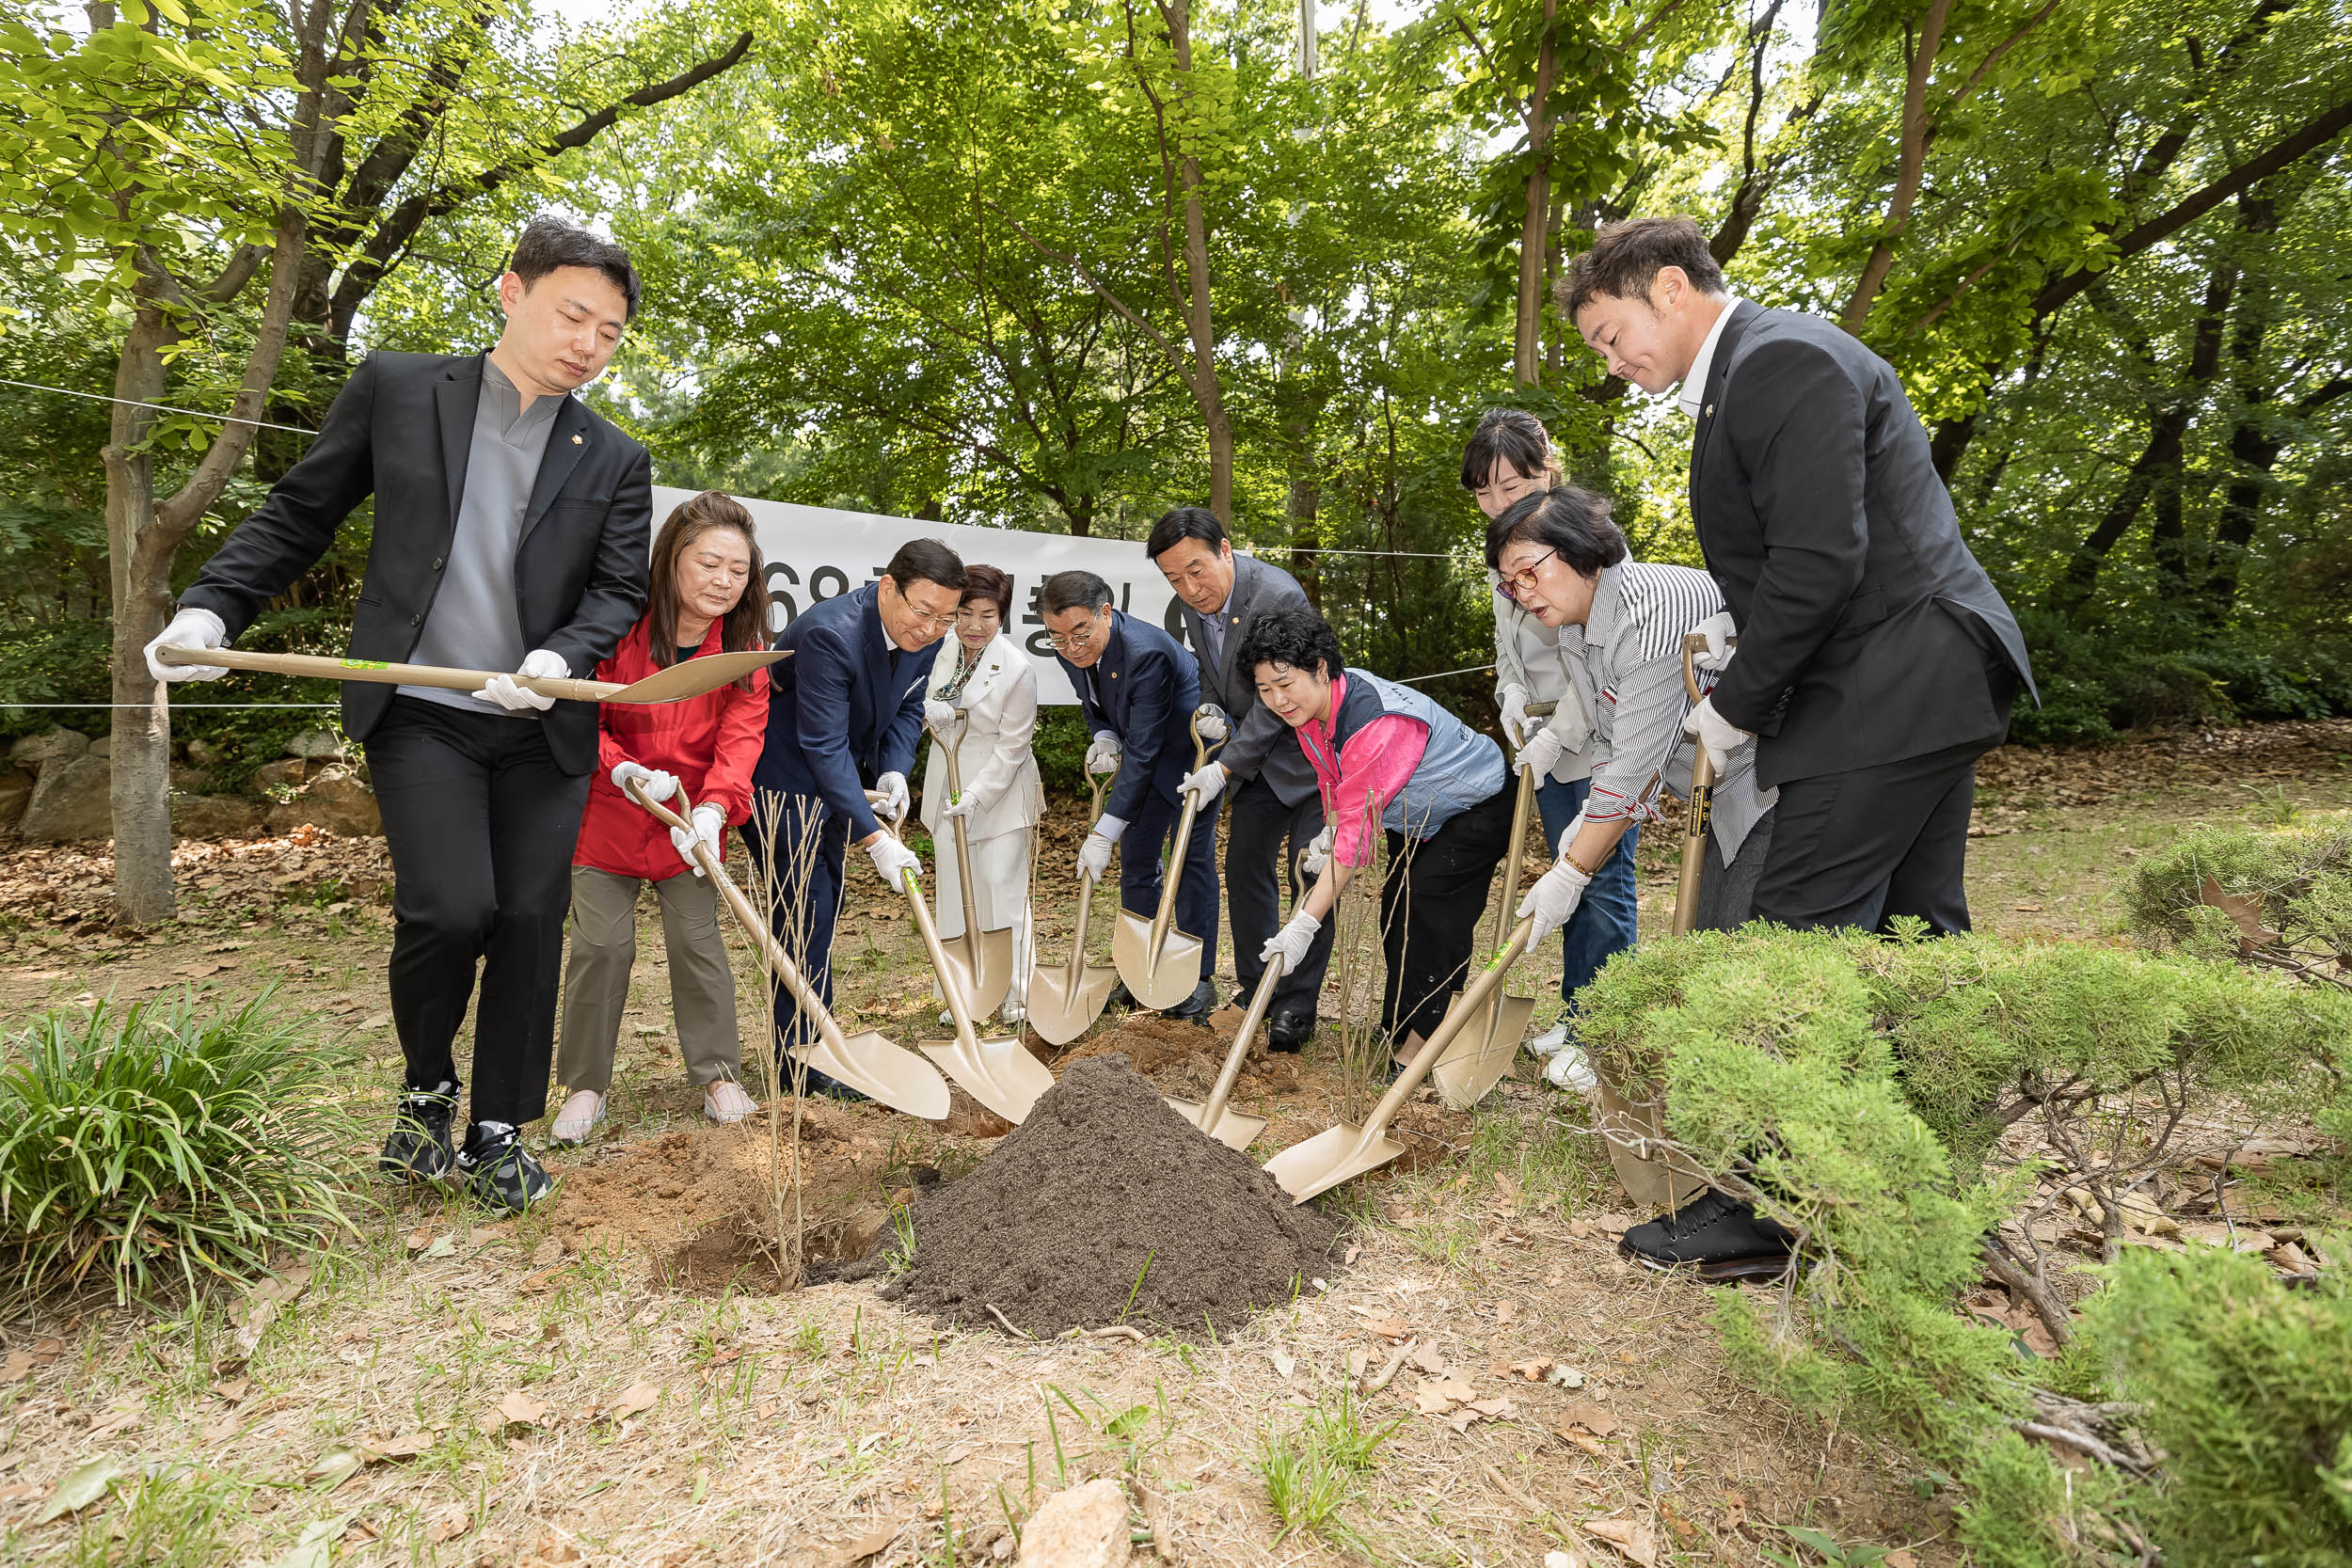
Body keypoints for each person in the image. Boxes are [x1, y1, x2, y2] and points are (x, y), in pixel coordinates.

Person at [145, 216, 653, 1212]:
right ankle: (426, 1087)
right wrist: (213, 605)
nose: (588, 343)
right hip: (423, 706)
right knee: (450, 906)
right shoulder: (401, 387)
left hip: (542, 724)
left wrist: (556, 659)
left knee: (528, 917)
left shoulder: (613, 454)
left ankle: (498, 1128)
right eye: (573, 314)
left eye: (610, 331)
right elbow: (302, 509)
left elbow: (617, 591)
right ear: (512, 293)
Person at [1562, 215, 2035, 1280]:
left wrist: (1732, 705)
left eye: (1609, 333)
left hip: (1883, 684)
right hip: (1922, 680)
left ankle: (1772, 1208)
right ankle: (1920, 1166)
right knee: (1914, 934)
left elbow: (1817, 564)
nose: (1612, 359)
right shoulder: (1761, 370)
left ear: (1670, 287)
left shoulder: (1776, 361)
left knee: (1792, 944)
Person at [551, 492, 771, 1145]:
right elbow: (579, 712)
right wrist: (618, 766)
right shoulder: (618, 628)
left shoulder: (741, 651)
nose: (723, 582)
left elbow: (741, 741)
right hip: (611, 809)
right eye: (709, 563)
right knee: (601, 946)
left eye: (738, 570)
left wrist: (710, 810)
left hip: (689, 821)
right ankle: (585, 1084)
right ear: (672, 560)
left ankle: (718, 1074)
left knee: (698, 943)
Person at [1243, 606, 1513, 1070]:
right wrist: (1329, 825)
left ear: (1320, 669)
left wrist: (1304, 925)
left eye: (1285, 685)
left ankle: (1426, 1039)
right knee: (1396, 911)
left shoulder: (1375, 724)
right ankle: (1401, 1022)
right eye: (1265, 690)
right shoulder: (1313, 712)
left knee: (1431, 908)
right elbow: (1334, 779)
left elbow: (1355, 839)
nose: (1278, 700)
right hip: (1419, 815)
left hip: (1478, 805)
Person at [1460, 409, 1636, 1091]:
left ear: (1548, 471)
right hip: (1548, 744)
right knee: (1571, 886)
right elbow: (1512, 651)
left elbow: (1596, 664)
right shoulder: (1504, 559)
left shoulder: (1579, 548)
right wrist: (1509, 696)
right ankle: (1576, 1010)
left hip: (1601, 739)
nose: (1498, 504)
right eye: (1483, 492)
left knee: (1604, 885)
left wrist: (1558, 730)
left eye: (1510, 486)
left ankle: (1604, 1032)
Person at [748, 540, 962, 1094]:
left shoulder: (926, 635)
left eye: (945, 618)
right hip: (785, 787)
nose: (932, 629)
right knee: (803, 913)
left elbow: (909, 707)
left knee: (820, 910)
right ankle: (800, 1065)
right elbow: (821, 745)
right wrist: (875, 839)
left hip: (841, 785)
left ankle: (811, 1044)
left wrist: (893, 769)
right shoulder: (830, 634)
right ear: (889, 587)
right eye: (923, 612)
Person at [1147, 506, 1326, 1050]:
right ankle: (1256, 987)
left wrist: (1223, 766)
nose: (1189, 588)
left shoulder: (1276, 595)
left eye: (1196, 570)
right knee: (1245, 867)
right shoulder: (1193, 607)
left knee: (1311, 876)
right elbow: (1208, 674)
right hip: (1258, 765)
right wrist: (1206, 714)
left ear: (1225, 550)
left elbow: (1280, 701)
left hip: (1315, 756)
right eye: (1174, 579)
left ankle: (1295, 1005)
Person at [1040, 569, 1218, 1023]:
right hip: (1143, 757)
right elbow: (1094, 702)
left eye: (1080, 633)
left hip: (1190, 758)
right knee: (1138, 863)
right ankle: (1140, 968)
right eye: (1057, 637)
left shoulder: (1145, 652)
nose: (1071, 647)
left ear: (1105, 612)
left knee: (1190, 861)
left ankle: (1197, 979)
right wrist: (1103, 735)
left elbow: (1146, 749)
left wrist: (1103, 831)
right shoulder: (1071, 645)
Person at [916, 564, 1043, 1028]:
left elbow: (1013, 748)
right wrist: (928, 713)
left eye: (987, 615)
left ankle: (1016, 991)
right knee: (953, 890)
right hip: (944, 784)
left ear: (1002, 616)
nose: (973, 626)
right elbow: (919, 701)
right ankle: (963, 991)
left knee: (999, 888)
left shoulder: (1017, 670)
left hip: (1001, 794)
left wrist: (976, 795)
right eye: (964, 613)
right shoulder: (942, 646)